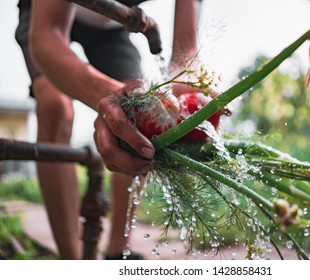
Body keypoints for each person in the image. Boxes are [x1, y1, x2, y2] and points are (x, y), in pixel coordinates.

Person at [16, 0, 201, 259]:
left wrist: (190, 104)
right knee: (55, 106)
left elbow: (185, 57)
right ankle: (74, 262)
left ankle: (117, 252)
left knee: (139, 118)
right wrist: (110, 97)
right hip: (46, 16)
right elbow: (48, 35)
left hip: (111, 26)